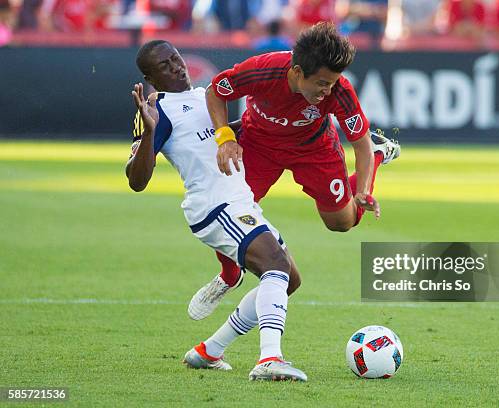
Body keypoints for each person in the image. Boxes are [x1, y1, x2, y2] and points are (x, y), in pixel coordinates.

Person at [126, 40, 306, 381]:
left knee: (288, 281)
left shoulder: (207, 96)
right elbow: (137, 180)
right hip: (215, 206)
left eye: (176, 58)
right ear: (151, 76)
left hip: (239, 199)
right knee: (276, 265)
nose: (177, 66)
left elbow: (217, 138)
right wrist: (149, 132)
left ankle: (209, 351)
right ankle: (269, 359)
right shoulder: (156, 110)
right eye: (165, 65)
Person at [192, 22, 400, 314]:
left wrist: (363, 190)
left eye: (331, 84)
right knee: (230, 213)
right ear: (298, 72)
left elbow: (361, 143)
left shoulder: (339, 90)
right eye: (322, 84)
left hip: (314, 148)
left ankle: (382, 155)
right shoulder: (262, 70)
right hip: (259, 144)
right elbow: (215, 91)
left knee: (340, 223)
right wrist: (225, 138)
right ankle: (229, 276)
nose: (327, 92)